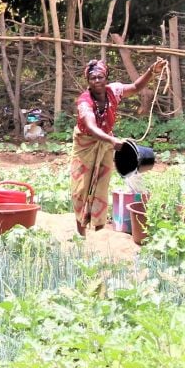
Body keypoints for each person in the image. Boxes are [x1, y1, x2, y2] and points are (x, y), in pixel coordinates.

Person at [71, 57, 167, 236]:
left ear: (106, 77)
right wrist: (111, 141)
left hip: (106, 142)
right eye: (93, 78)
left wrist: (152, 70)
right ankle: (80, 230)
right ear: (88, 81)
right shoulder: (85, 101)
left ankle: (98, 226)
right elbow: (91, 127)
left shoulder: (113, 91)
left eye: (100, 77)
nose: (97, 81)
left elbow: (136, 87)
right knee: (81, 187)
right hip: (85, 144)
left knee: (101, 183)